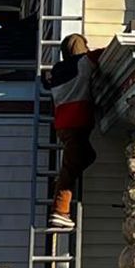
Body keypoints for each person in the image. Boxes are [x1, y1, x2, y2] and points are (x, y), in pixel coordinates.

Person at [47, 33, 98, 230]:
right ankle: (60, 211)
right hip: (78, 122)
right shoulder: (83, 62)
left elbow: (46, 80)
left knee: (85, 156)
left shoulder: (56, 71)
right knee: (71, 166)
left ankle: (58, 189)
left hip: (62, 124)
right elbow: (103, 55)